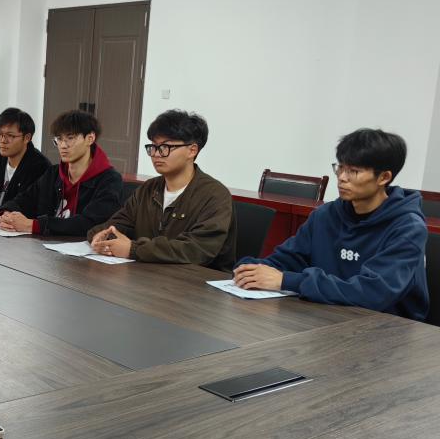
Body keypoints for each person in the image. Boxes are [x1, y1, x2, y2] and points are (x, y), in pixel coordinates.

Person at [234, 128, 428, 319]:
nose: (342, 177)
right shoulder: (326, 215)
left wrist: (288, 281)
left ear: (384, 177)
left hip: (390, 326)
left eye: (354, 171)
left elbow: (373, 293)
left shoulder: (407, 227)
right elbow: (289, 259)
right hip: (328, 314)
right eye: (340, 168)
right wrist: (250, 269)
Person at [88, 109, 236, 270]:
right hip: (149, 274)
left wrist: (134, 249)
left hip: (197, 280)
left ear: (192, 150)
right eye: (153, 147)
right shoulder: (148, 189)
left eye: (165, 147)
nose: (156, 154)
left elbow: (196, 250)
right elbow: (117, 224)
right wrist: (101, 236)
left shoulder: (215, 195)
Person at [0, 110, 123, 236]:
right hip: (44, 246)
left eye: (70, 138)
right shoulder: (53, 174)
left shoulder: (109, 180)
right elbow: (24, 200)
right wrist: (5, 215)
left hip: (80, 248)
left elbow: (90, 223)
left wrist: (34, 225)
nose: (63, 145)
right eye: (59, 139)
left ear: (90, 138)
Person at [0, 107, 50, 213]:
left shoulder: (40, 167)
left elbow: (28, 208)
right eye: (0, 134)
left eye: (10, 136)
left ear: (27, 138)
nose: (3, 140)